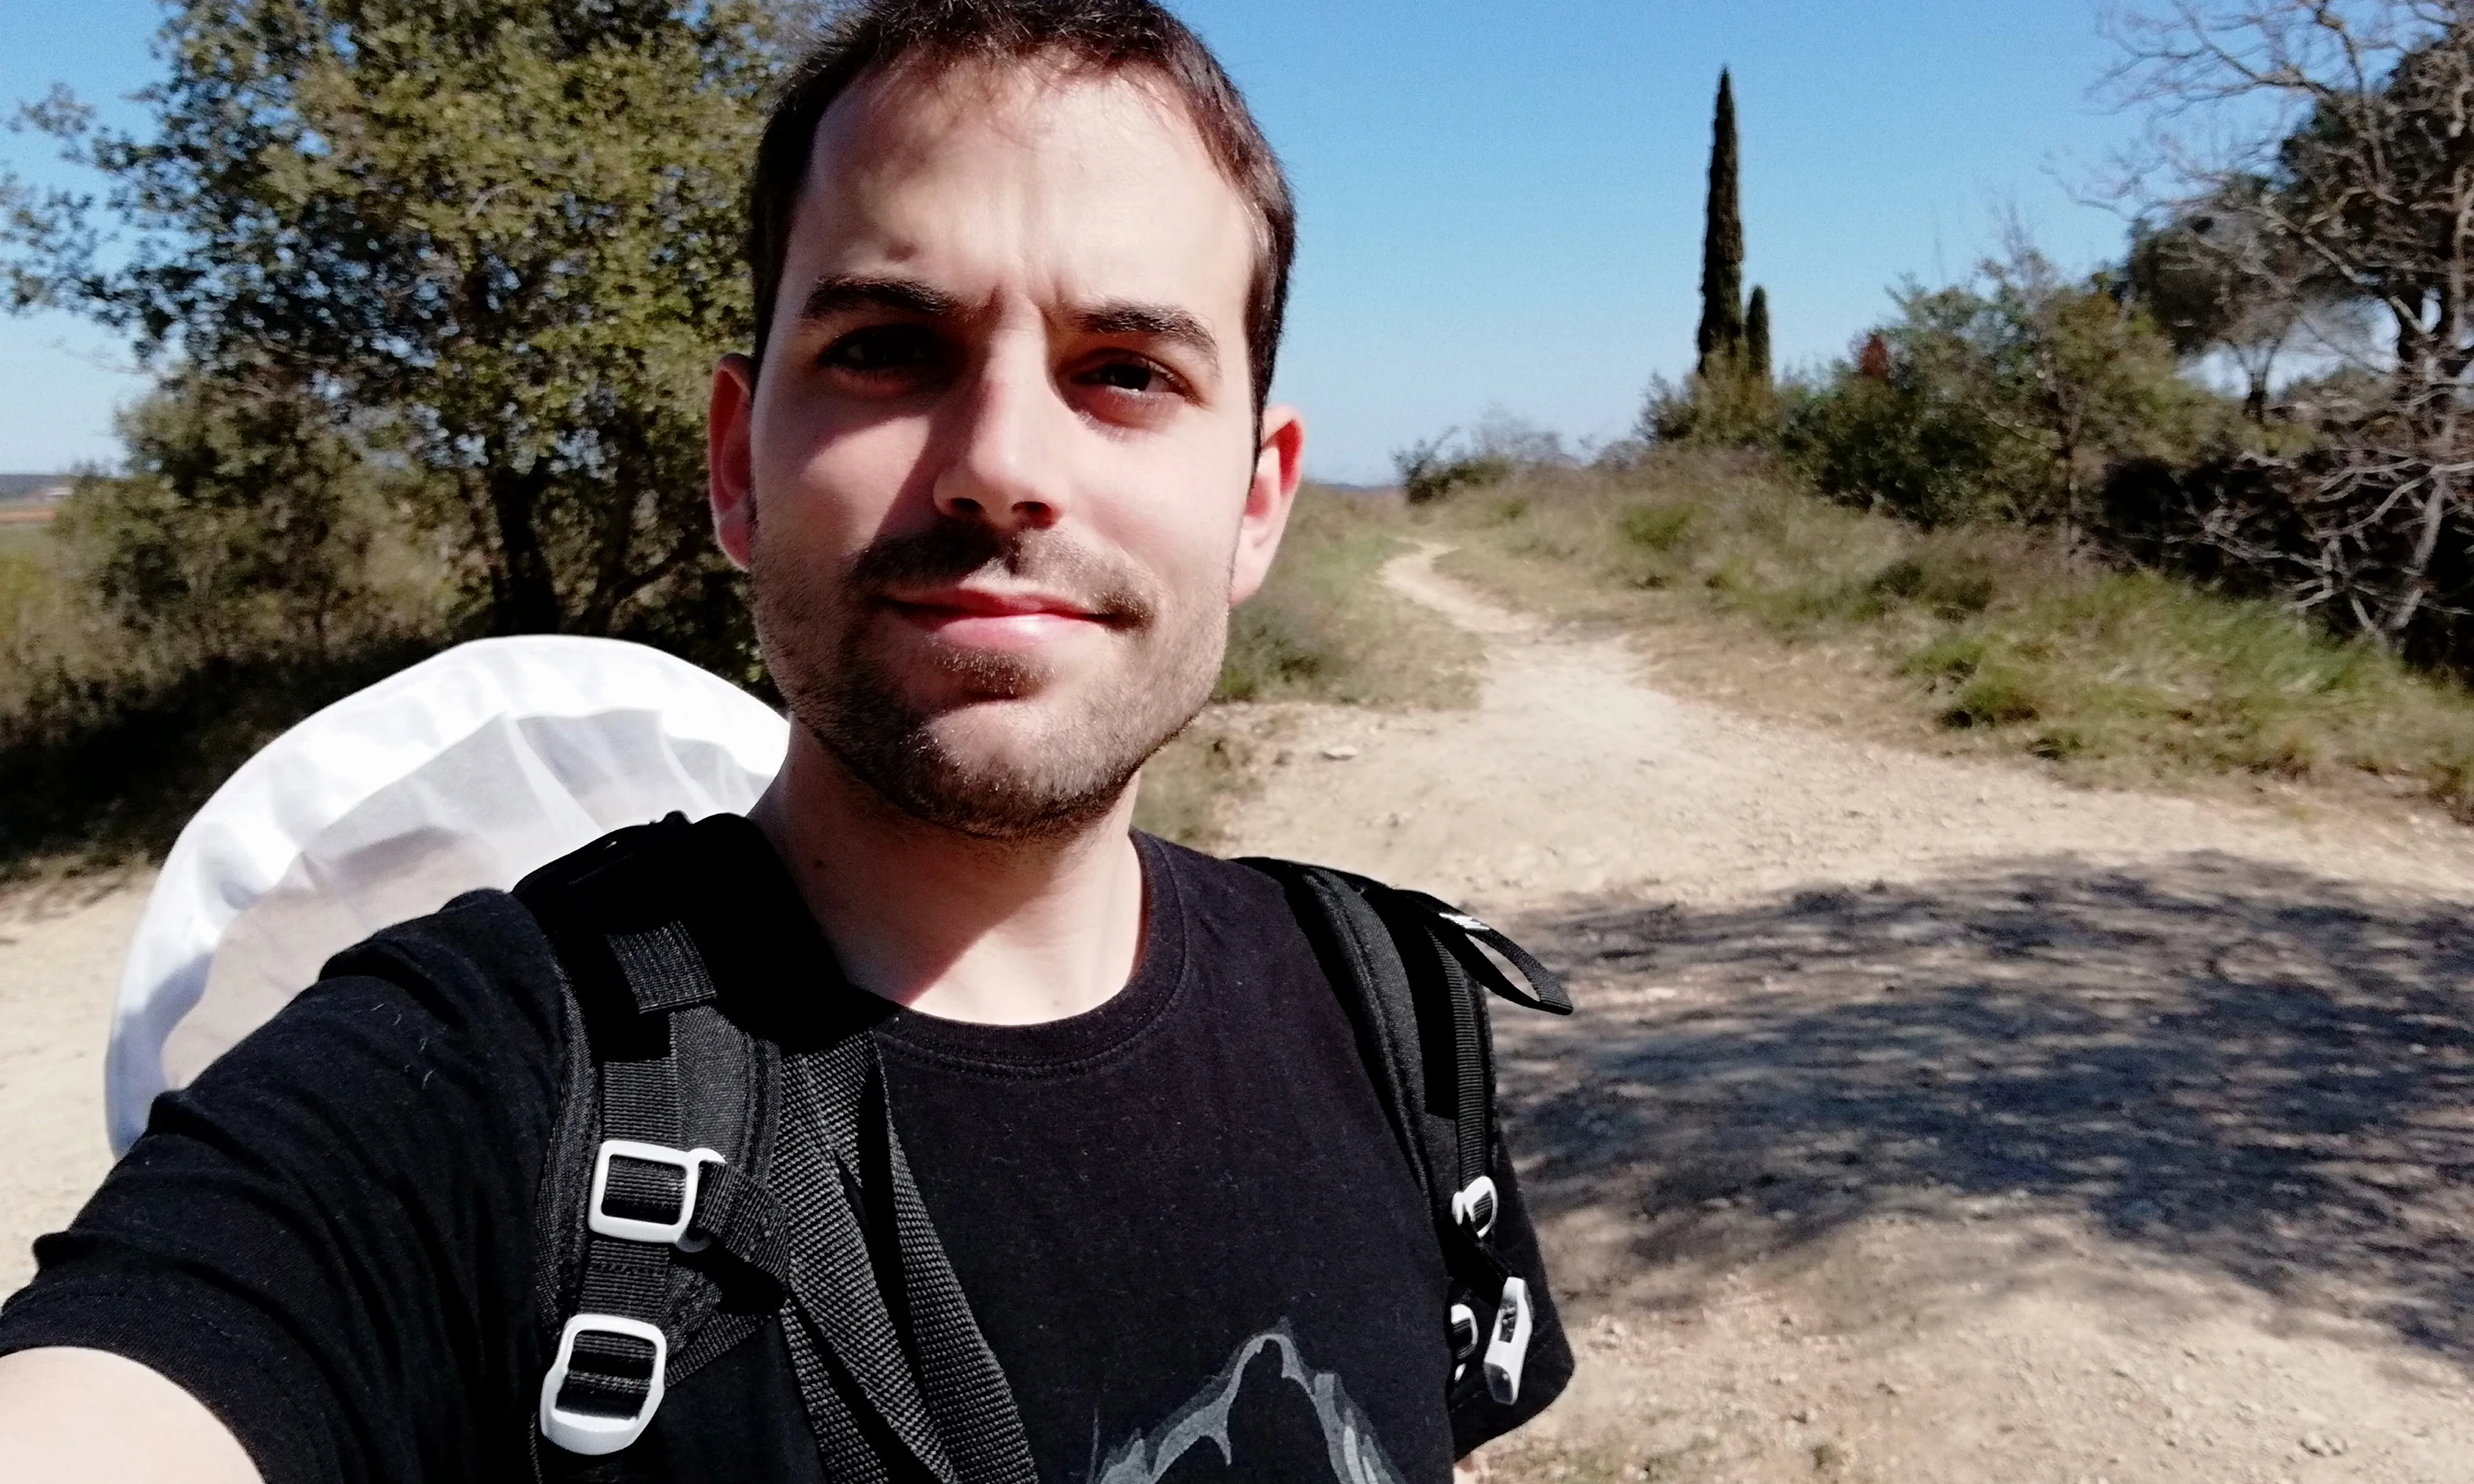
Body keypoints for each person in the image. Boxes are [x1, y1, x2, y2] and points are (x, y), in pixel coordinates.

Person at [0, 2, 1572, 1480]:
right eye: (889, 349)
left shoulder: (1392, 1011)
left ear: (1254, 502)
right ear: (739, 467)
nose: (1001, 466)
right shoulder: (461, 1094)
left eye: (1127, 373)